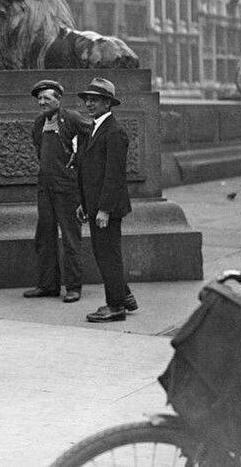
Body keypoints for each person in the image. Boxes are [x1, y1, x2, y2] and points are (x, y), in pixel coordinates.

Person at [75, 78, 138, 323]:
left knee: (108, 256)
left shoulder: (115, 132)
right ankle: (125, 296)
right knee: (105, 254)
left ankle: (115, 307)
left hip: (107, 208)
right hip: (96, 204)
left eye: (95, 100)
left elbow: (114, 175)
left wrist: (103, 209)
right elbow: (88, 171)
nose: (89, 104)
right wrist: (84, 203)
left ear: (108, 103)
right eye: (87, 99)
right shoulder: (95, 128)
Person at [24, 80, 91, 303]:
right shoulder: (38, 123)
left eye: (47, 98)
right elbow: (38, 149)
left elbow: (93, 135)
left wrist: (78, 160)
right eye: (40, 99)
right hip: (45, 188)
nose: (42, 102)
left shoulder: (71, 118)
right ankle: (47, 285)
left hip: (68, 189)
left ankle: (73, 287)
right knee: (44, 237)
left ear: (58, 99)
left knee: (71, 239)